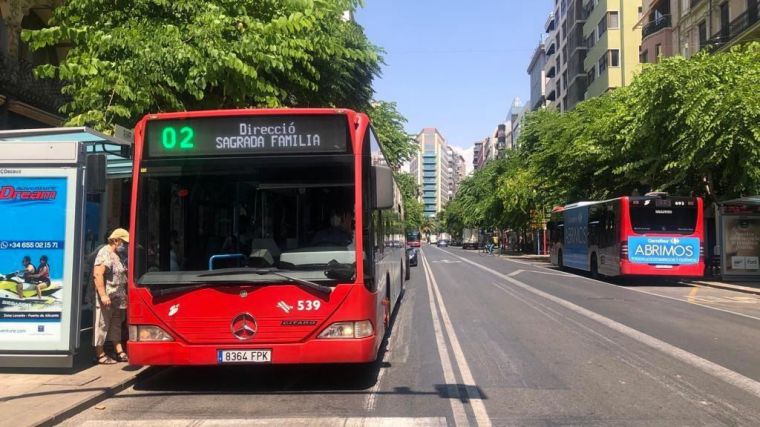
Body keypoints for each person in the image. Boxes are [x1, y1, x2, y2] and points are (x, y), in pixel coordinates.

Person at [93, 228, 129, 364]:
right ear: (115, 240)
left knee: (115, 324)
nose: (126, 245)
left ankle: (119, 351)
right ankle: (100, 354)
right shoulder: (104, 253)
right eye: (124, 242)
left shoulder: (119, 255)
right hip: (107, 297)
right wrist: (103, 295)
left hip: (118, 297)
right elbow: (97, 274)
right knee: (102, 324)